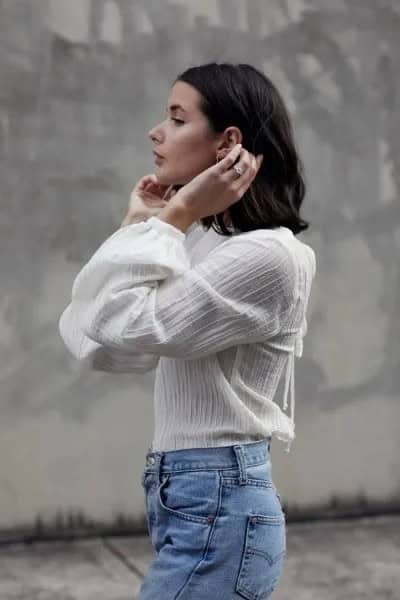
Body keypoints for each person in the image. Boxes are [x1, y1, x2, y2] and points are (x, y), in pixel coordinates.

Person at [58, 62, 316, 599]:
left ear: (228, 143)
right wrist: (144, 226)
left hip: (220, 502)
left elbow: (128, 326)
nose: (156, 132)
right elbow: (95, 342)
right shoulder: (200, 242)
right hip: (190, 497)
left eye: (177, 119)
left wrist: (168, 223)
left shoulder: (269, 256)